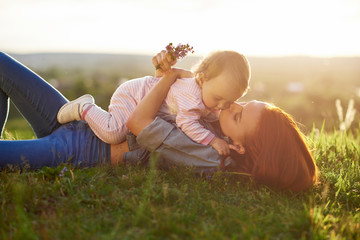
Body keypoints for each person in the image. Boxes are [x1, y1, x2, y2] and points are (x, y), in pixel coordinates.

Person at [0, 51, 318, 192]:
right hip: (84, 122)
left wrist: (172, 78)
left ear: (239, 146)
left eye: (238, 113)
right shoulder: (211, 114)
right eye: (244, 102)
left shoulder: (209, 156)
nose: (234, 104)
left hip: (80, 149)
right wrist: (166, 78)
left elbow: (140, 123)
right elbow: (165, 104)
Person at [57, 50, 250, 156]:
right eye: (218, 99)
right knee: (113, 132)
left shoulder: (206, 93)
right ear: (201, 79)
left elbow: (212, 112)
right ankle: (85, 107)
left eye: (229, 101)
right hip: (134, 95)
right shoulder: (192, 98)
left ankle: (85, 124)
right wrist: (213, 140)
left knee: (116, 131)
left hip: (143, 93)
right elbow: (188, 124)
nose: (221, 106)